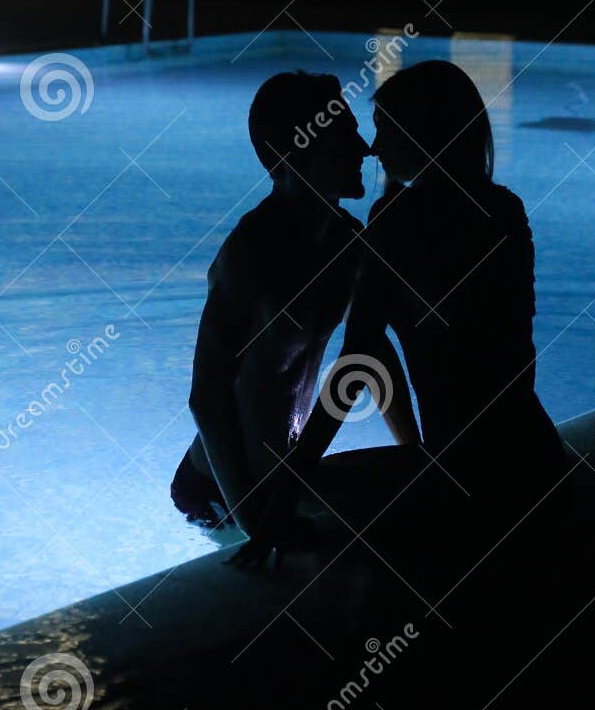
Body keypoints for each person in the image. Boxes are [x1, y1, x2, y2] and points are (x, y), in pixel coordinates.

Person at [237, 59, 568, 567]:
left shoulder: (396, 226)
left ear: (422, 136)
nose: (372, 147)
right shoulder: (504, 210)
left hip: (462, 476)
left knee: (309, 498)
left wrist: (286, 488)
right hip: (534, 457)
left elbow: (357, 360)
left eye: (385, 131)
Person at [171, 70, 418, 538]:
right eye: (344, 135)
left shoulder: (347, 243)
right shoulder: (250, 251)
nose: (364, 147)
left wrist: (414, 451)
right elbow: (206, 396)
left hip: (284, 477)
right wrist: (251, 521)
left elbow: (369, 354)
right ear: (293, 154)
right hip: (220, 490)